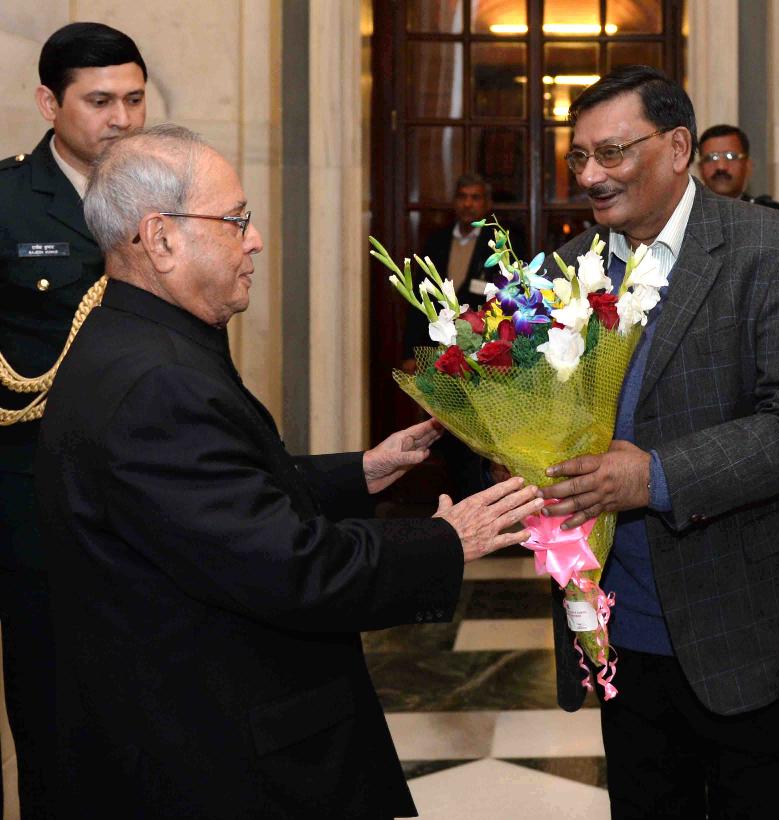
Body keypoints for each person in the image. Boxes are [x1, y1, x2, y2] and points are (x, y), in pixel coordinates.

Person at [34, 124, 545, 819]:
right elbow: (290, 568)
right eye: (234, 220)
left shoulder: (135, 340)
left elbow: (220, 496)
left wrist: (359, 473)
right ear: (160, 239)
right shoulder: (159, 383)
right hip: (218, 752)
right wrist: (446, 540)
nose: (254, 240)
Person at [543, 66, 779, 818]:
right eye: (579, 157)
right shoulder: (567, 269)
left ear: (678, 147)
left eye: (612, 152)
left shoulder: (769, 248)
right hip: (618, 628)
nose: (590, 175)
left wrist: (654, 477)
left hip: (745, 624)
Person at [0, 22, 147, 817]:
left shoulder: (167, 191)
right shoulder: (8, 201)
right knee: (55, 713)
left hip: (152, 496)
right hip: (38, 500)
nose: (121, 118)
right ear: (48, 103)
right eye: (99, 101)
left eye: (134, 98)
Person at [402, 173, 518, 357]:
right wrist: (410, 354)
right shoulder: (436, 241)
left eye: (475, 198)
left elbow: (511, 296)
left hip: (481, 349)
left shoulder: (500, 244)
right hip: (435, 346)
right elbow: (419, 296)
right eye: (462, 197)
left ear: (487, 204)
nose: (467, 204)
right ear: (454, 202)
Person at [696, 123, 779, 215]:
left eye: (731, 156)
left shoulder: (771, 216)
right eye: (711, 158)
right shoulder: (690, 214)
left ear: (748, 166)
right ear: (700, 168)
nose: (721, 167)